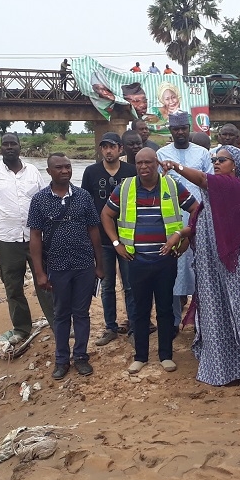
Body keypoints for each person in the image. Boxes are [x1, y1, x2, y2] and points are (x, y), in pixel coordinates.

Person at [161, 147, 240, 385]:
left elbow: (200, 178)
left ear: (235, 165)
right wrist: (179, 233)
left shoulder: (233, 186)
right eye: (213, 160)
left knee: (238, 309)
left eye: (222, 160)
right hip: (210, 261)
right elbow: (200, 221)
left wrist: (175, 166)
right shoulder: (212, 193)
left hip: (235, 260)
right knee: (214, 309)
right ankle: (221, 366)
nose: (216, 163)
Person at [101, 148, 198, 374]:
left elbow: (195, 210)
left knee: (165, 309)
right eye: (139, 163)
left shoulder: (172, 185)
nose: (144, 167)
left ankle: (165, 355)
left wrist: (184, 239)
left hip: (166, 259)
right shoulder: (125, 188)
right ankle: (141, 356)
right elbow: (106, 214)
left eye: (148, 163)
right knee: (140, 310)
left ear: (157, 163)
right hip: (136, 260)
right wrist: (116, 244)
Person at [27, 154, 104, 380]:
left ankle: (80, 357)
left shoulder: (83, 197)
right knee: (61, 314)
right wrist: (39, 272)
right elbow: (35, 236)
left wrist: (99, 264)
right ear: (49, 171)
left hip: (83, 265)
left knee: (81, 313)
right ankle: (61, 360)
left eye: (68, 167)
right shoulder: (39, 200)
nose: (64, 171)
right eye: (59, 167)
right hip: (57, 267)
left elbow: (93, 230)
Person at [0, 133, 55, 345]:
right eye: (5, 144)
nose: (9, 147)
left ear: (20, 147)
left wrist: (52, 233)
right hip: (6, 239)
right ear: (0, 148)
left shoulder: (33, 173)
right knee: (13, 286)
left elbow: (45, 202)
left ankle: (58, 324)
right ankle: (21, 328)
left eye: (13, 144)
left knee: (45, 282)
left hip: (35, 237)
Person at [158, 111, 213, 331]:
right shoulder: (161, 153)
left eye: (183, 128)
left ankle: (202, 322)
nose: (180, 132)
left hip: (199, 220)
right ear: (170, 131)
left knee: (200, 269)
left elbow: (210, 184)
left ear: (189, 129)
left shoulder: (202, 153)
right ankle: (172, 322)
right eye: (175, 129)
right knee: (172, 268)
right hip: (170, 221)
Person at [82, 132, 138, 346]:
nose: (108, 151)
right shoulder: (91, 172)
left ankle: (134, 325)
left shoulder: (131, 172)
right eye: (104, 147)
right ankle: (110, 327)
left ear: (120, 149)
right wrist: (87, 236)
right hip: (101, 239)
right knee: (107, 286)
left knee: (130, 285)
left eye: (112, 146)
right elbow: (85, 204)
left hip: (128, 237)